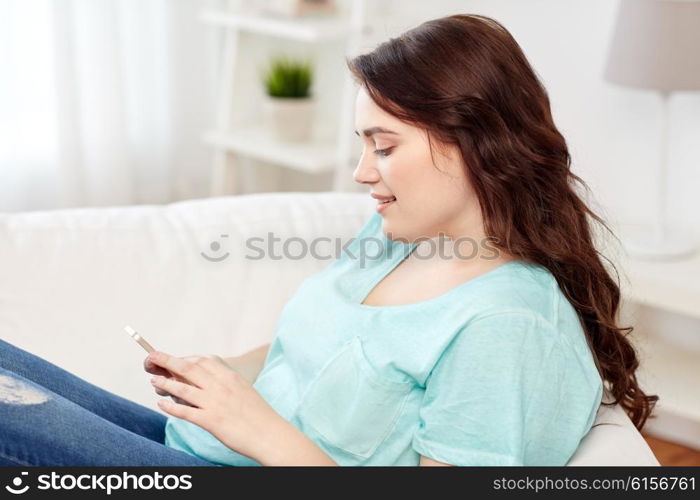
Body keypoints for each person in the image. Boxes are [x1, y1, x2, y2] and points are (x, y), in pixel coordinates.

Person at [0, 13, 658, 467]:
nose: (362, 172)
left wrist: (255, 427)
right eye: (363, 143)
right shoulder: (396, 235)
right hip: (200, 447)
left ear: (474, 144)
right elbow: (322, 341)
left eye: (385, 146)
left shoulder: (507, 325)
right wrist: (227, 376)